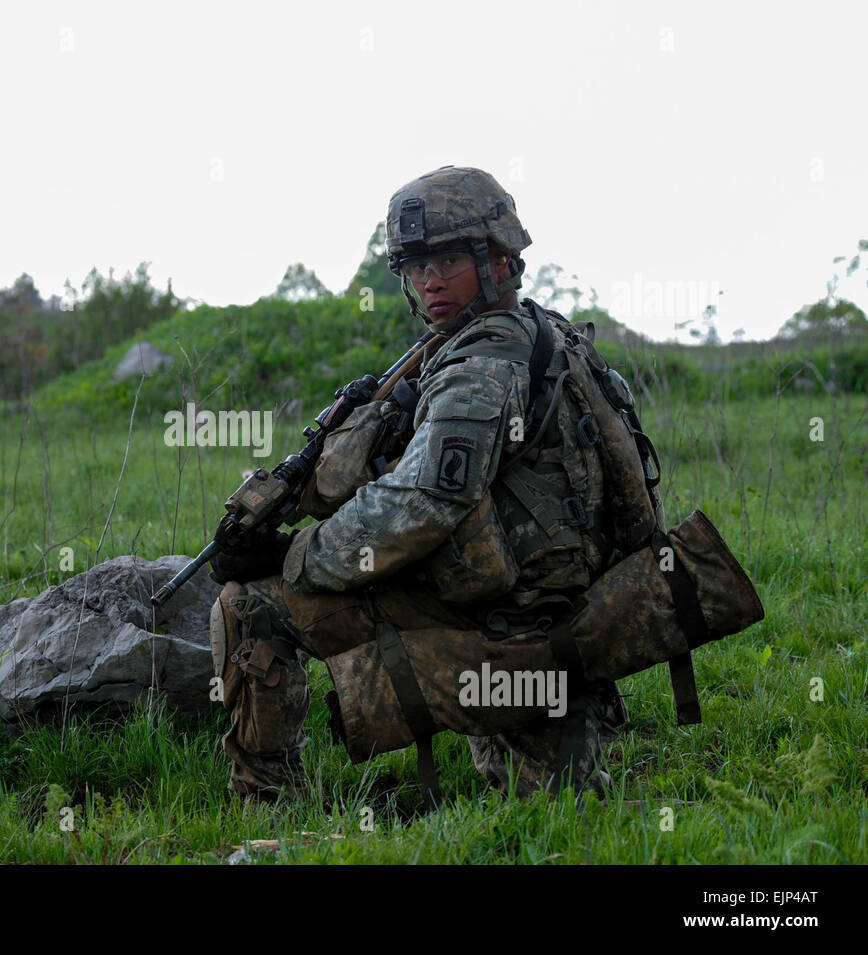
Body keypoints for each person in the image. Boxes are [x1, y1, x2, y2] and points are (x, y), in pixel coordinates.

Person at [206, 165, 763, 804]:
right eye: (415, 268)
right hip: (562, 615)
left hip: (504, 629)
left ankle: (264, 800)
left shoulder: (480, 369)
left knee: (250, 603)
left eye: (447, 260)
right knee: (553, 810)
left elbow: (422, 503)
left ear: (498, 259)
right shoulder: (543, 335)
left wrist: (293, 555)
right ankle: (535, 724)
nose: (430, 281)